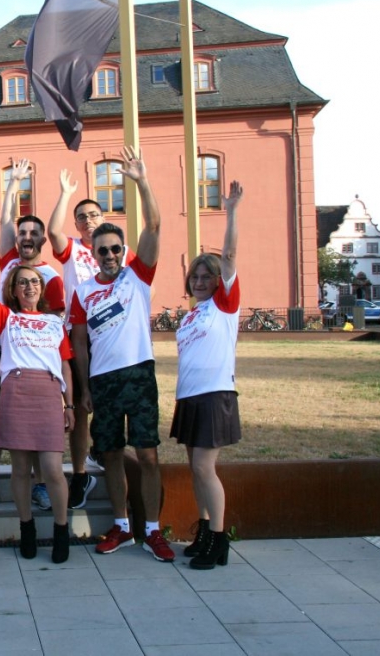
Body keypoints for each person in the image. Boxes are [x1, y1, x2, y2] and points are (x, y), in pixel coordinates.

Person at [68, 146, 175, 563]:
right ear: (92, 253)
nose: (110, 255)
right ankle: (122, 526)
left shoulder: (138, 276)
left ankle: (152, 529)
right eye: (103, 250)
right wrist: (87, 386)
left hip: (139, 375)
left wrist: (141, 180)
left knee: (147, 453)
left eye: (116, 249)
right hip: (104, 381)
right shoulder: (84, 291)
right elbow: (79, 342)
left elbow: (156, 223)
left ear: (123, 251)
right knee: (110, 452)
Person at [0, 234, 73, 563]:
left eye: (35, 282)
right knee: (19, 469)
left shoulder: (53, 322)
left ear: (41, 289)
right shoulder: (7, 318)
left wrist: (69, 404)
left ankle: (61, 530)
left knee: (52, 469)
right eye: (23, 283)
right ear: (14, 290)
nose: (30, 287)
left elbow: (65, 366)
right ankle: (27, 527)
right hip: (16, 391)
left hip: (47, 393)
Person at [0, 159, 66, 515]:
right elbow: (4, 223)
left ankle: (41, 485)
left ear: (43, 238)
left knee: (38, 429)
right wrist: (12, 184)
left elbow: (55, 324)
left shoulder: (52, 278)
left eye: (32, 233)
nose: (25, 238)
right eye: (22, 232)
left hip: (33, 361)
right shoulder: (11, 259)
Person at [48, 169, 135, 509]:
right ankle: (81, 472)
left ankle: (107, 450)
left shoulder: (117, 251)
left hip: (113, 336)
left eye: (93, 215)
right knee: (80, 403)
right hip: (79, 332)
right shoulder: (71, 248)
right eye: (81, 217)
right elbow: (53, 231)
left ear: (104, 218)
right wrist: (66, 193)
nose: (87, 221)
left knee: (111, 399)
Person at [173, 181, 244, 570]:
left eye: (206, 276)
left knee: (204, 466)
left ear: (218, 280)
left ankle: (219, 541)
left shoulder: (224, 304)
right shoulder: (192, 314)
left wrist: (231, 210)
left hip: (216, 394)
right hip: (191, 396)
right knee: (193, 467)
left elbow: (230, 253)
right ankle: (203, 530)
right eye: (194, 276)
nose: (199, 281)